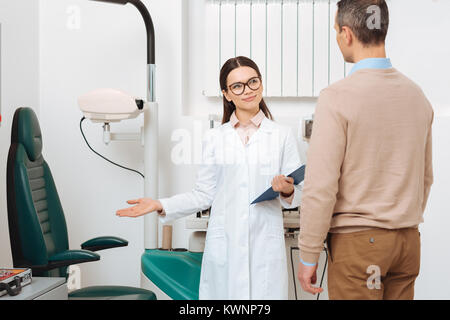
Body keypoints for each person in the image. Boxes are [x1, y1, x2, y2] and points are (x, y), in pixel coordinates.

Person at [117, 56, 304, 300]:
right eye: (237, 86)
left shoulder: (281, 135)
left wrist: (287, 190)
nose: (247, 90)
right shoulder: (215, 138)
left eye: (253, 82)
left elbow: (297, 192)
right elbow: (204, 194)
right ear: (227, 94)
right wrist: (160, 204)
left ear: (261, 84)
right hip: (224, 245)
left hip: (264, 246)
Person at [297, 0, 433, 300]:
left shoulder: (337, 98)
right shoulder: (417, 96)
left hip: (359, 246)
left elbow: (321, 187)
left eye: (336, 31)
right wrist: (398, 219)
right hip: (407, 242)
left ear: (347, 34)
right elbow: (425, 178)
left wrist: (308, 254)